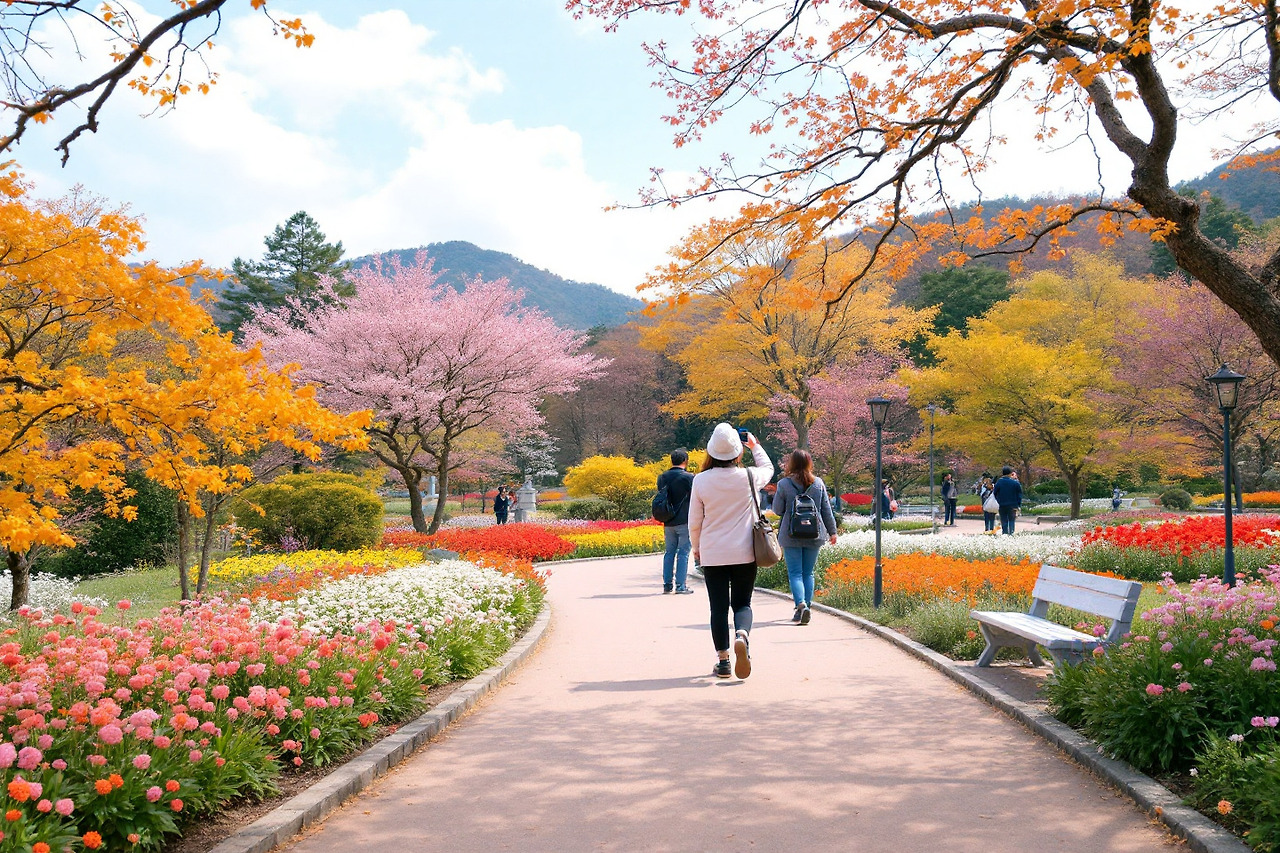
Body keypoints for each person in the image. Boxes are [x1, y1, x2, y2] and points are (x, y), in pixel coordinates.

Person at [689, 423, 773, 680]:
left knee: (718, 608)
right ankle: (742, 635)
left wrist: (697, 549)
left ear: (711, 452)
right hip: (744, 552)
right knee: (742, 603)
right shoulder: (748, 476)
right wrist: (755, 446)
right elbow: (768, 470)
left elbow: (695, 521)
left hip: (713, 553)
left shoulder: (701, 480)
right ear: (737, 452)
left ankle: (724, 661)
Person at [772, 449, 839, 625]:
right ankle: (806, 606)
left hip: (791, 534)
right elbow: (826, 510)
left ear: (791, 464)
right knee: (808, 573)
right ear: (810, 463)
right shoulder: (818, 484)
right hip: (814, 534)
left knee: (795, 573)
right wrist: (833, 532)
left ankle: (800, 605)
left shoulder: (784, 484)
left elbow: (777, 510)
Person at [656, 449, 696, 594]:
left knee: (669, 552)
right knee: (683, 553)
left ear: (672, 460)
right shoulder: (689, 478)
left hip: (668, 520)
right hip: (684, 520)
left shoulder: (662, 477)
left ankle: (667, 585)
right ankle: (680, 586)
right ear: (685, 461)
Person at [993, 466, 1023, 535]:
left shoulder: (999, 482)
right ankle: (1011, 533)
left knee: (1004, 520)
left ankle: (1005, 533)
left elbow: (995, 493)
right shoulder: (1015, 483)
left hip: (1002, 504)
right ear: (1010, 473)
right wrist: (1018, 504)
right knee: (1011, 520)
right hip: (1013, 505)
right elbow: (1019, 494)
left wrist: (999, 500)